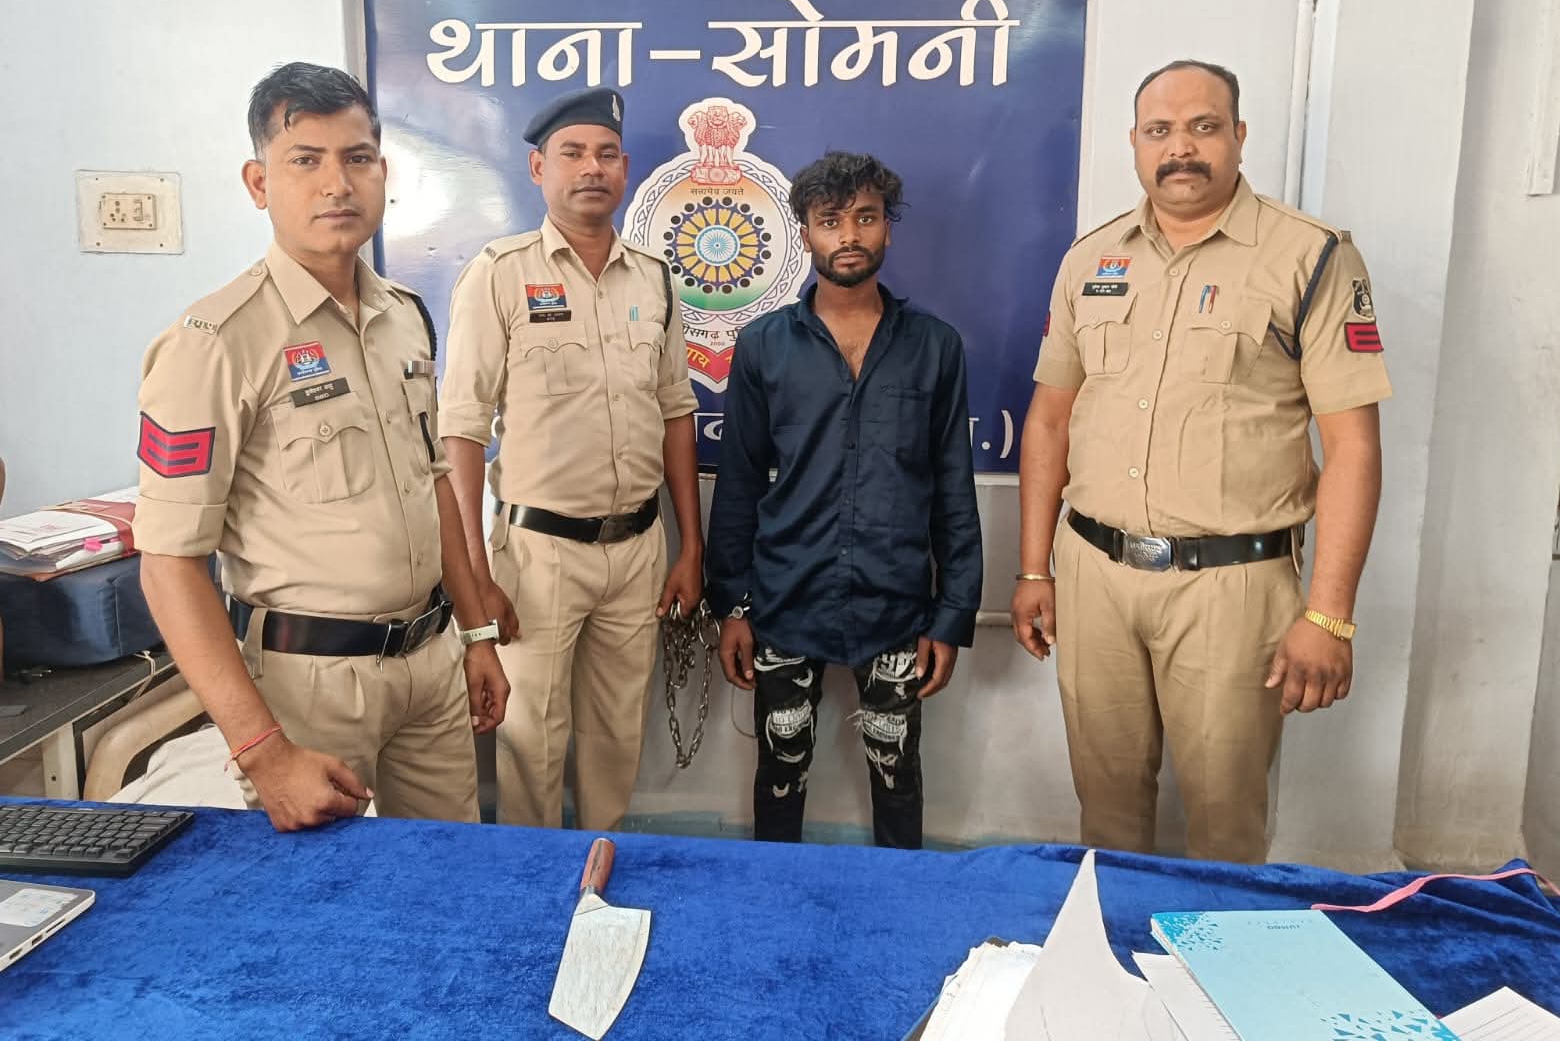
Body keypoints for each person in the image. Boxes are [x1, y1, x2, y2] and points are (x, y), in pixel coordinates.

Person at [1010, 60, 1390, 863]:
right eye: (1160, 130)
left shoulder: (1309, 256)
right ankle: (1116, 937)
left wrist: (1328, 615)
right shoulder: (1091, 259)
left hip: (1232, 586)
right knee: (1106, 813)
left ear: (1239, 136)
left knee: (1224, 822)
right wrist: (1036, 568)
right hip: (1094, 577)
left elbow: (1353, 447)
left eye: (1203, 127)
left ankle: (1213, 947)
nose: (1180, 148)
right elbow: (1049, 420)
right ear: (1135, 143)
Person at [135, 62, 509, 833]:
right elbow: (168, 563)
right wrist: (263, 752)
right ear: (258, 182)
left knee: (447, 875)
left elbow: (434, 481)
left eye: (357, 157)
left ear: (383, 173)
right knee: (325, 896)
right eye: (305, 160)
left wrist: (476, 635)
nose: (336, 183)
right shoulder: (217, 342)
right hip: (311, 688)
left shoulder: (404, 317)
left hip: (430, 664)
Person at [439, 87, 702, 831]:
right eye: (573, 153)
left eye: (607, 154)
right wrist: (475, 575)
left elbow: (675, 411)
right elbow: (461, 430)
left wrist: (690, 547)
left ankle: (600, 864)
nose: (592, 168)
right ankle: (534, 881)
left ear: (625, 169)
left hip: (638, 548)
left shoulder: (653, 276)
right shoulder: (500, 273)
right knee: (533, 740)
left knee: (618, 736)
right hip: (538, 554)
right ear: (537, 168)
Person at [707, 151, 982, 849]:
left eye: (866, 217)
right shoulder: (764, 346)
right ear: (805, 232)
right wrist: (731, 604)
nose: (849, 235)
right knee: (779, 775)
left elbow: (953, 487)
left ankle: (899, 900)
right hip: (783, 598)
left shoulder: (935, 348)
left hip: (896, 604)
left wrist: (953, 613)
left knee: (898, 778)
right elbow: (739, 482)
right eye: (830, 221)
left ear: (888, 226)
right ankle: (775, 897)